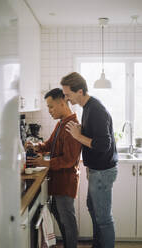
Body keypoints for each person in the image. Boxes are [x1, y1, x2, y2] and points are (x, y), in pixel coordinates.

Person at [60, 72, 118, 248]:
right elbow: (95, 137)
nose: (66, 98)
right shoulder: (88, 107)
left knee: (104, 219)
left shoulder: (96, 109)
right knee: (93, 209)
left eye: (68, 94)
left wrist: (78, 136)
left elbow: (103, 144)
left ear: (79, 91)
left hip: (102, 172)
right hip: (96, 171)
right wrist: (81, 131)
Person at [26, 88, 81, 248]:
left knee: (67, 221)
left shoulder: (72, 126)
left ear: (62, 103)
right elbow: (50, 144)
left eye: (51, 106)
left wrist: (45, 163)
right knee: (59, 215)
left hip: (65, 183)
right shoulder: (61, 124)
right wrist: (37, 146)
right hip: (57, 182)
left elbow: (69, 160)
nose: (49, 111)